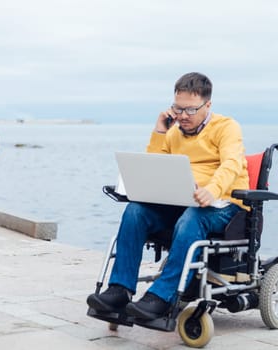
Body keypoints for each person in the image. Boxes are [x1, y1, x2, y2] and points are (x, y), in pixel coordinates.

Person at [87, 72, 249, 321]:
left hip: (223, 205)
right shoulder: (174, 132)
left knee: (192, 218)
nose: (182, 116)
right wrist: (160, 132)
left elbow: (231, 165)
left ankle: (162, 297)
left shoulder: (227, 127)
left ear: (208, 105)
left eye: (190, 110)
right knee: (135, 211)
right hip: (181, 202)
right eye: (177, 108)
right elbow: (154, 166)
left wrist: (212, 190)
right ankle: (120, 289)